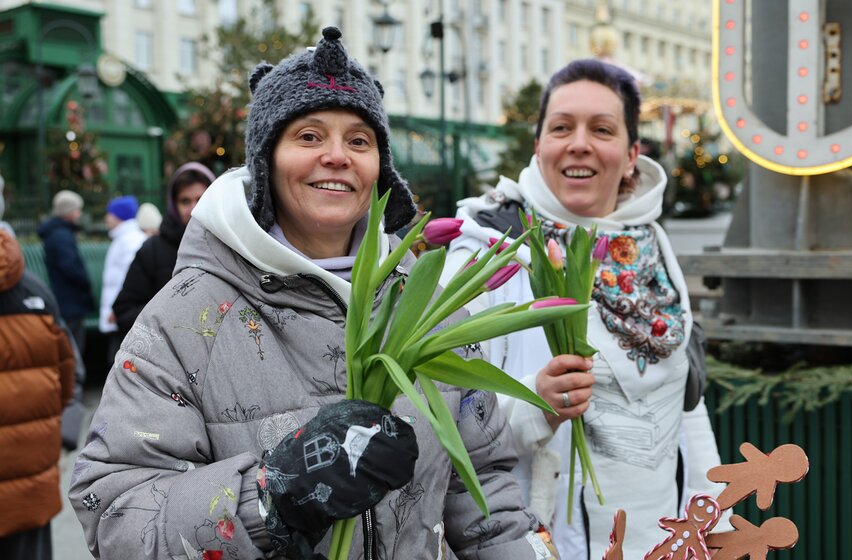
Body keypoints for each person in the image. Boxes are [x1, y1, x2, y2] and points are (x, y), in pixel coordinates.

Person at [70, 27, 556, 560]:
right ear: (265, 161)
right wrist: (272, 497)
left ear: (379, 169)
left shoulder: (425, 310)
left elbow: (487, 491)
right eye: (308, 136)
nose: (337, 156)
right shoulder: (186, 318)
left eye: (359, 140)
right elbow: (113, 511)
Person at [441, 59, 726, 558]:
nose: (579, 143)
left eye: (602, 129)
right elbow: (441, 419)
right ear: (539, 146)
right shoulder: (488, 251)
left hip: (664, 540)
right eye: (561, 127)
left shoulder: (649, 244)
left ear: (632, 153)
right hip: (541, 542)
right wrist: (537, 403)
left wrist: (719, 522)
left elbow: (683, 403)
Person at [0, 228, 76, 560]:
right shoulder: (36, 293)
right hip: (29, 489)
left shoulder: (35, 296)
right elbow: (70, 373)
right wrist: (63, 438)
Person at [112, 162, 214, 337]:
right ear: (174, 205)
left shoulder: (232, 246)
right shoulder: (152, 250)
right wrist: (173, 319)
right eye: (185, 201)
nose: (193, 209)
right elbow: (126, 310)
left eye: (201, 199)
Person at [37, 189, 94, 358]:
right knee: (73, 345)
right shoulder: (61, 235)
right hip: (70, 299)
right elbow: (70, 266)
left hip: (66, 297)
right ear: (68, 211)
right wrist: (85, 281)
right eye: (77, 209)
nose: (79, 213)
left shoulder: (58, 233)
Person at [99, 195, 147, 362]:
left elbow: (129, 278)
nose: (107, 217)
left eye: (110, 213)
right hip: (120, 309)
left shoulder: (129, 241)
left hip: (123, 310)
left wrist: (117, 307)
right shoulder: (123, 239)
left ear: (119, 215)